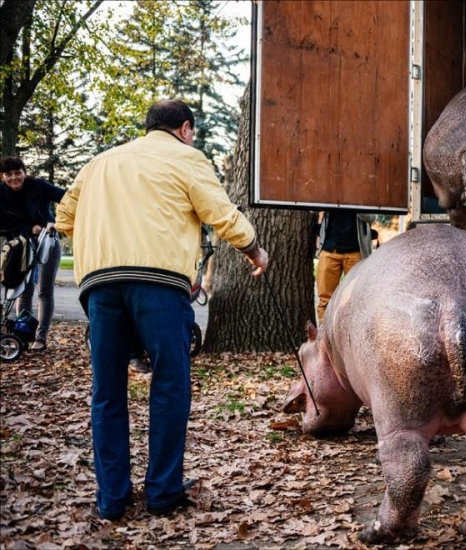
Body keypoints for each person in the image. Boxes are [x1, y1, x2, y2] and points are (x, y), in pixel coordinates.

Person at [55, 99, 269, 521]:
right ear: (185, 128)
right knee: (170, 382)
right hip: (159, 283)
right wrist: (253, 249)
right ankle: (162, 490)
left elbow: (64, 218)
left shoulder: (100, 163)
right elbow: (220, 213)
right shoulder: (186, 158)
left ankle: (111, 498)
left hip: (100, 284)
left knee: (107, 390)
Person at [0, 156, 66, 350]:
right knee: (23, 290)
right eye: (8, 174)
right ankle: (22, 337)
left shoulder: (38, 186)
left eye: (18, 172)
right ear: (2, 176)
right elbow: (3, 225)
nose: (14, 177)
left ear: (24, 172)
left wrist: (57, 222)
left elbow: (67, 199)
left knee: (45, 290)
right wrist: (30, 229)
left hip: (48, 241)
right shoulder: (1, 194)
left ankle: (40, 338)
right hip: (20, 244)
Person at [314, 210, 376, 324]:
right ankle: (324, 333)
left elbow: (371, 217)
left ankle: (351, 333)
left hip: (356, 251)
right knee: (325, 300)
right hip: (330, 248)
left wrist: (356, 203)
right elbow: (312, 207)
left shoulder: (364, 197)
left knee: (355, 299)